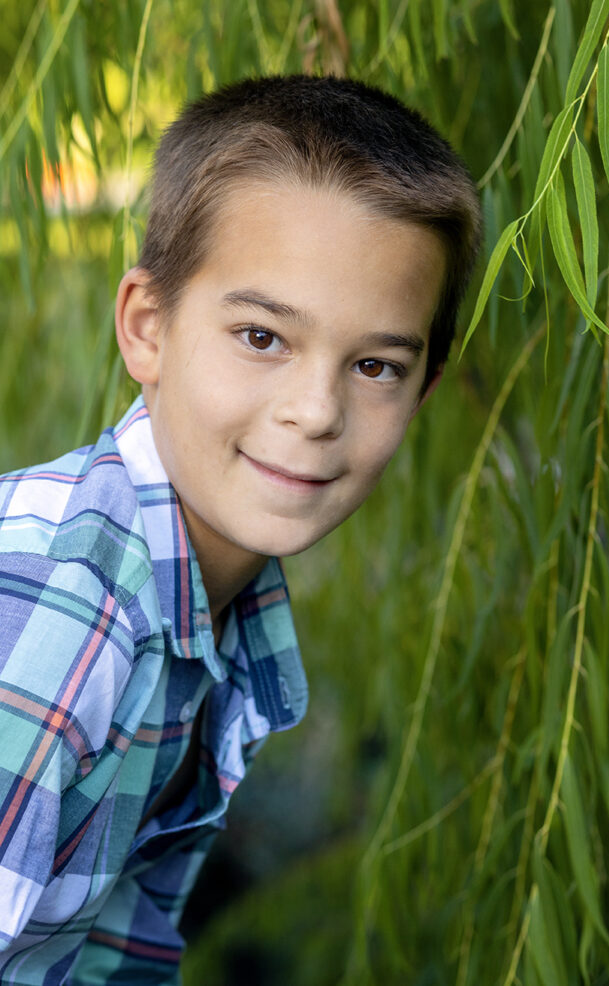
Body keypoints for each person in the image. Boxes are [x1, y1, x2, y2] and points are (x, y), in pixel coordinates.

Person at [0, 75, 480, 984]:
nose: (315, 411)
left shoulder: (205, 599)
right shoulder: (65, 620)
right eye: (263, 336)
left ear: (422, 391)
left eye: (375, 365)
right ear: (147, 326)